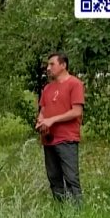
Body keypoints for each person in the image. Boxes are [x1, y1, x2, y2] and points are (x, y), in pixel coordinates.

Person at [35, 52, 85, 203]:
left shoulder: (75, 84)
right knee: (54, 178)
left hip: (67, 138)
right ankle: (60, 210)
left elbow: (77, 111)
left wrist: (52, 120)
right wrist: (41, 122)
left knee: (71, 178)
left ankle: (77, 211)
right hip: (49, 139)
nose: (48, 68)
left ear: (63, 65)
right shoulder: (47, 88)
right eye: (47, 65)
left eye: (52, 64)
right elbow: (43, 111)